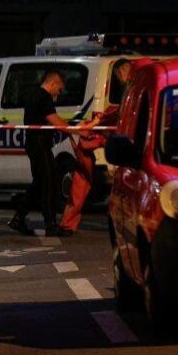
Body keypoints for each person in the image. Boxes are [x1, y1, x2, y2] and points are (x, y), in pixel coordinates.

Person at [59, 58, 132, 233]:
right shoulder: (133, 90)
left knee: (83, 179)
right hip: (113, 142)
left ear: (122, 71)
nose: (119, 79)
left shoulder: (131, 90)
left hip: (111, 142)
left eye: (118, 75)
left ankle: (68, 223)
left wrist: (88, 126)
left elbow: (114, 116)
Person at [8, 70, 71, 237]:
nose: (58, 93)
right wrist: (77, 130)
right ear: (53, 83)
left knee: (38, 183)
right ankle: (50, 225)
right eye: (59, 89)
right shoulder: (44, 97)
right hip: (39, 144)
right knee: (49, 182)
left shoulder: (34, 95)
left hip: (35, 143)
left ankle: (18, 218)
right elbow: (55, 121)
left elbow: (46, 119)